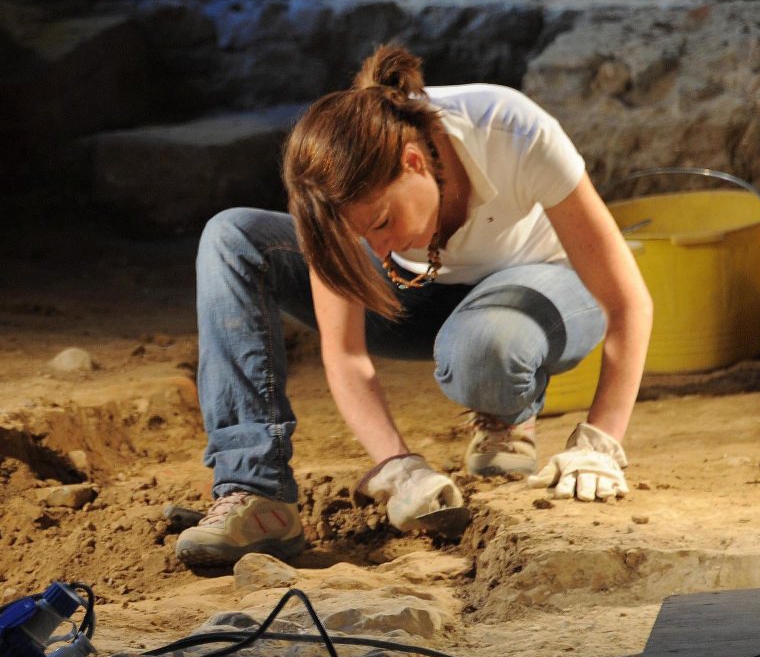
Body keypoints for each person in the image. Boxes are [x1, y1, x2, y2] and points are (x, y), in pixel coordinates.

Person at [176, 42, 653, 568]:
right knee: (233, 235)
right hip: (407, 302)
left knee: (486, 345)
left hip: (537, 291)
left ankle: (505, 408)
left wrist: (599, 442)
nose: (374, 250)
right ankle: (256, 492)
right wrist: (400, 467)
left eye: (381, 224)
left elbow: (627, 301)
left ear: (412, 162)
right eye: (358, 240)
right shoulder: (334, 195)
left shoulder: (511, 127)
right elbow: (346, 354)